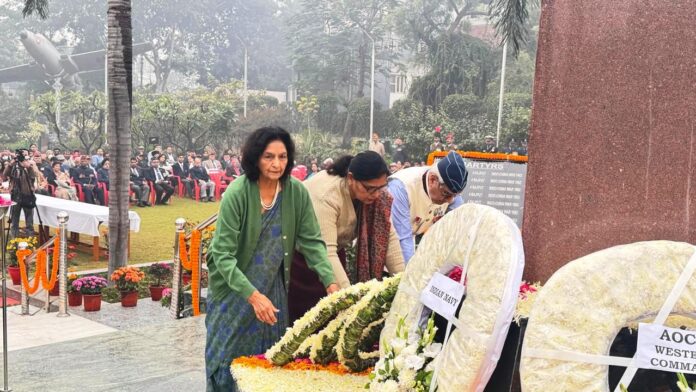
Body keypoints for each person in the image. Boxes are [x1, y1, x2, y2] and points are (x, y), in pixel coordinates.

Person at [205, 126, 338, 391]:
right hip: (234, 292)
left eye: (283, 156)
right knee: (227, 361)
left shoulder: (296, 192)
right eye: (269, 156)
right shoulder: (238, 193)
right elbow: (222, 254)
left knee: (270, 359)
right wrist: (252, 296)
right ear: (255, 157)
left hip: (273, 287)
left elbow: (312, 241)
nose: (276, 164)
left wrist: (331, 283)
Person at [289, 151, 404, 322]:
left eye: (381, 188)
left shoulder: (376, 195)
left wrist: (404, 283)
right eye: (370, 188)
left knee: (334, 318)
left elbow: (388, 237)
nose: (377, 194)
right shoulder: (327, 196)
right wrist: (353, 301)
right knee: (309, 321)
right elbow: (325, 251)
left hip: (334, 255)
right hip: (303, 263)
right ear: (351, 178)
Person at [388, 150, 468, 263]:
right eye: (446, 194)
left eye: (454, 195)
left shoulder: (451, 195)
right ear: (432, 180)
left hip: (408, 243)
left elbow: (457, 232)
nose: (450, 200)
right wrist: (410, 276)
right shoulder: (401, 187)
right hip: (386, 248)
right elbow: (402, 238)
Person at [4, 150, 38, 238]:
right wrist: (11, 164)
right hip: (15, 196)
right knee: (14, 222)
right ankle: (13, 242)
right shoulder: (13, 166)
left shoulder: (30, 165)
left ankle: (30, 241)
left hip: (28, 195)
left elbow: (33, 177)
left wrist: (29, 167)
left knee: (29, 222)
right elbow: (5, 175)